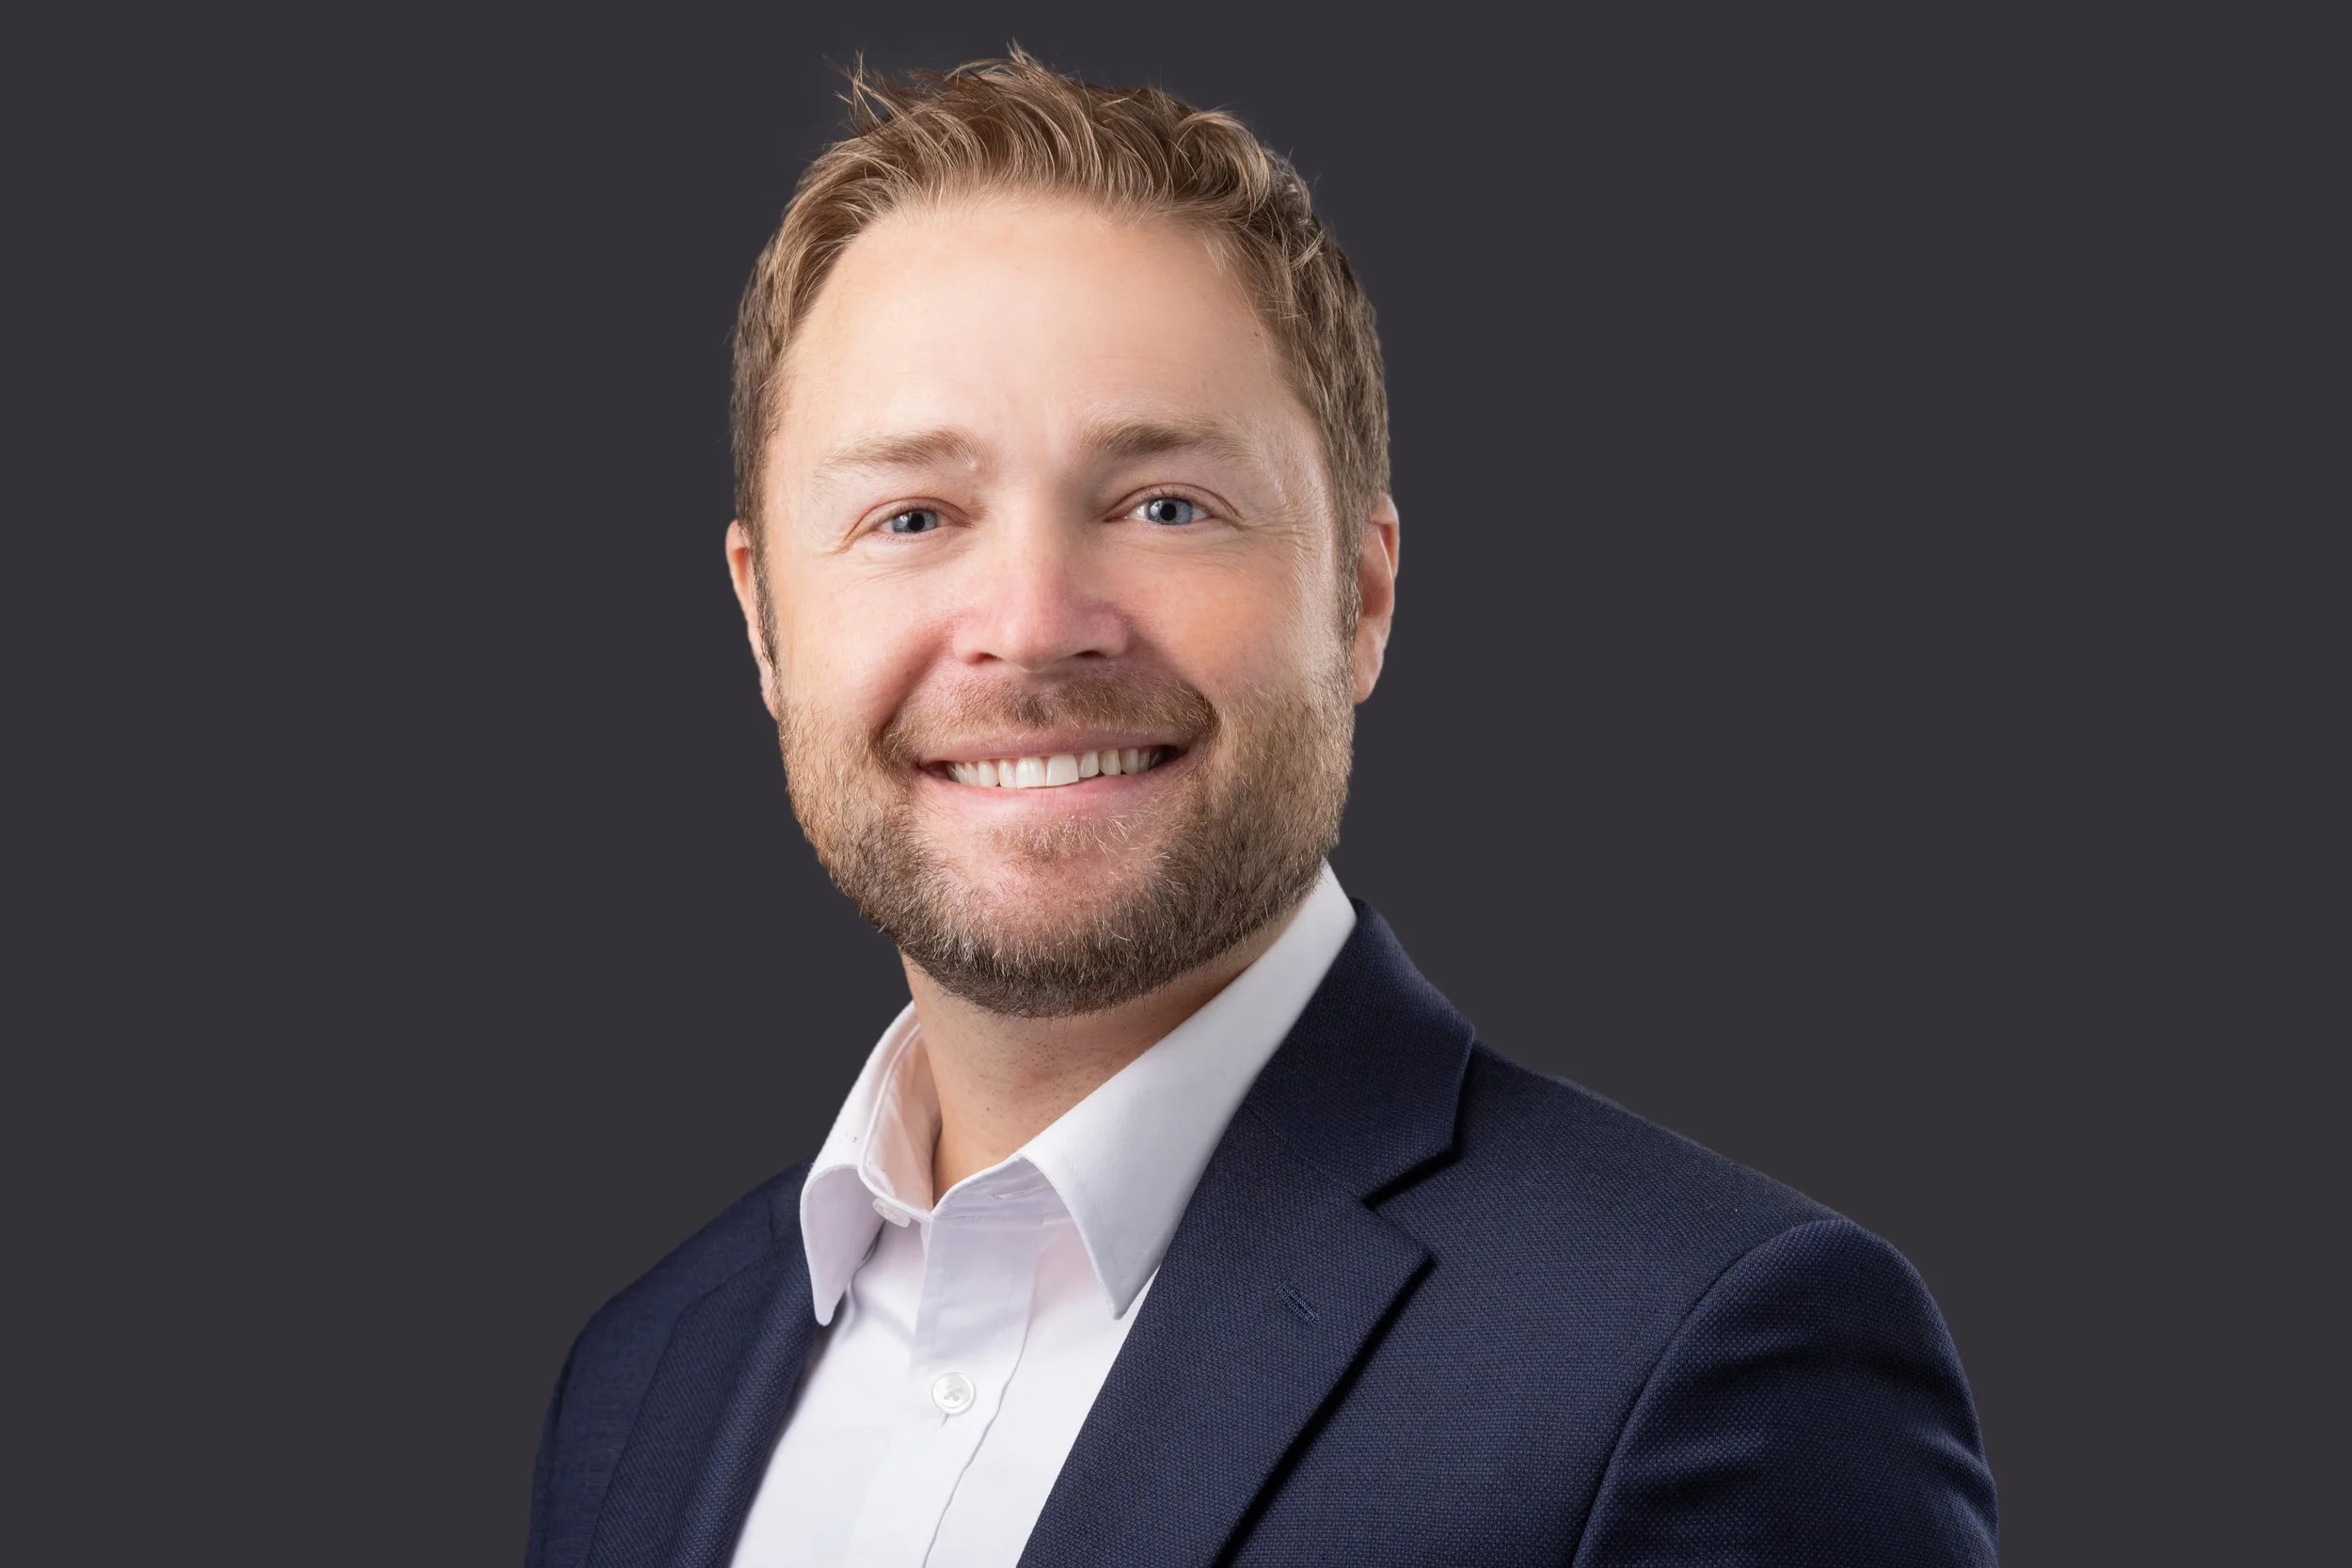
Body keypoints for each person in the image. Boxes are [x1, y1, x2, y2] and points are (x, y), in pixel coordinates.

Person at [525, 51, 1998, 1568]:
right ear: (766, 623)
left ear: (1360, 595)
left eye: (1166, 504)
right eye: (912, 516)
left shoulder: (1713, 1360)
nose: (1033, 624)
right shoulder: (647, 1383)